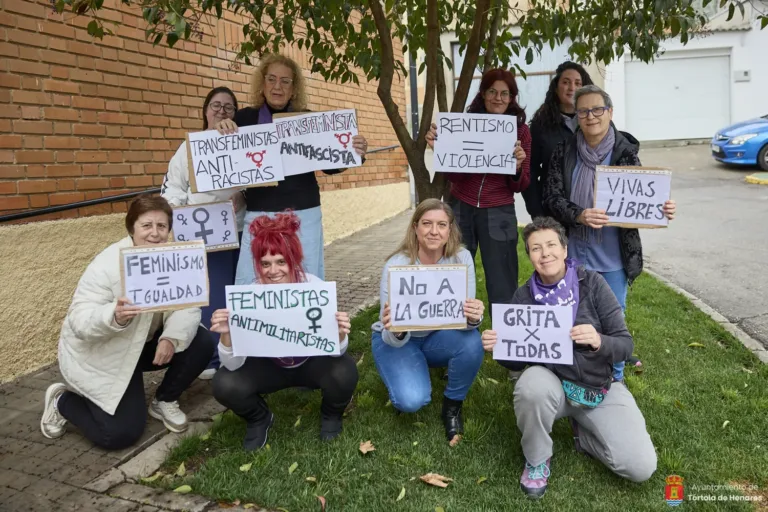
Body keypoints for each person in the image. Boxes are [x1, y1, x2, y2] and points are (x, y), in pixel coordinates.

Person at [481, 217, 656, 499]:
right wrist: (499, 348)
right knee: (530, 385)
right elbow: (515, 363)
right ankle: (537, 460)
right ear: (530, 256)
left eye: (551, 245)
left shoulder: (593, 284)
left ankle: (584, 437)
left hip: (598, 385)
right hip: (552, 387)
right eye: (536, 248)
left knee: (640, 467)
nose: (545, 253)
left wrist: (599, 341)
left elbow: (624, 344)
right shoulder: (523, 297)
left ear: (564, 249)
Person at [40, 195, 215, 449]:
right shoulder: (107, 264)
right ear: (131, 227)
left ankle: (164, 400)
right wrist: (114, 316)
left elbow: (187, 305)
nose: (154, 233)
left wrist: (170, 337)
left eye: (162, 226)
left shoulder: (174, 257)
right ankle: (62, 401)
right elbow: (79, 319)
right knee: (118, 435)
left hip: (143, 343)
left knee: (202, 340)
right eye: (146, 225)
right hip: (106, 352)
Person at [543, 84, 676, 382]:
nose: (590, 116)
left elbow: (642, 199)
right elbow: (551, 198)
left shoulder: (625, 152)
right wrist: (579, 214)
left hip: (614, 255)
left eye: (597, 109)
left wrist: (660, 209)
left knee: (613, 320)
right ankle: (576, 376)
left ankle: (614, 383)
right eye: (583, 111)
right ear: (576, 115)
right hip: (574, 252)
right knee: (573, 317)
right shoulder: (564, 151)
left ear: (610, 112)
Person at [214, 53, 369, 284]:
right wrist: (223, 129)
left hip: (303, 213)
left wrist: (354, 151)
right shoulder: (244, 119)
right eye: (272, 79)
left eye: (285, 81)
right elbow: (225, 160)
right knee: (252, 279)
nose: (278, 86)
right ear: (262, 83)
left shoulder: (307, 120)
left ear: (294, 88)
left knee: (304, 278)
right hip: (260, 214)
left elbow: (331, 167)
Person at [210, 212, 358, 451]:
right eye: (265, 264)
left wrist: (339, 333)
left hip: (310, 363)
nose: (273, 271)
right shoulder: (249, 295)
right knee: (224, 383)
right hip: (268, 367)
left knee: (344, 370)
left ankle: (331, 414)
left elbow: (336, 352)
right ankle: (259, 418)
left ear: (293, 260)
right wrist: (227, 335)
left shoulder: (314, 288)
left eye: (281, 262)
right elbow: (233, 365)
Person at [371, 199, 485, 445]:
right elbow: (391, 335)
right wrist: (396, 330)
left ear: (450, 230)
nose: (434, 231)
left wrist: (474, 317)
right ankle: (409, 369)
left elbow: (462, 322)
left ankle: (452, 406)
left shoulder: (462, 258)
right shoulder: (396, 265)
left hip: (437, 337)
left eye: (441, 225)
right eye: (427, 224)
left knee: (472, 341)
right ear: (415, 228)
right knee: (411, 401)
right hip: (397, 341)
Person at [426, 68, 530, 307]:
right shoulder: (464, 125)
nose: (498, 98)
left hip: (500, 210)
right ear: (482, 93)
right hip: (461, 205)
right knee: (453, 273)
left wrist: (517, 167)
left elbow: (522, 184)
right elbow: (454, 175)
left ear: (512, 97)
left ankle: (504, 339)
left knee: (502, 279)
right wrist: (440, 150)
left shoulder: (521, 131)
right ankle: (449, 331)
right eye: (492, 91)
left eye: (505, 93)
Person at [162, 86, 245, 380]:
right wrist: (178, 214)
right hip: (204, 235)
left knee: (238, 291)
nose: (221, 112)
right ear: (205, 111)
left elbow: (258, 180)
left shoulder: (243, 144)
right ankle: (211, 357)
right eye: (216, 106)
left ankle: (240, 349)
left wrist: (244, 197)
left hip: (239, 230)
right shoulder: (188, 148)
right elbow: (173, 188)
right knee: (212, 297)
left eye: (229, 107)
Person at [524, 61, 594, 218]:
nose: (572, 88)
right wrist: (537, 213)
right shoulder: (541, 124)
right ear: (556, 88)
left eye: (578, 83)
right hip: (553, 209)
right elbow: (530, 170)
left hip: (589, 207)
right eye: (566, 82)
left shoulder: (595, 121)